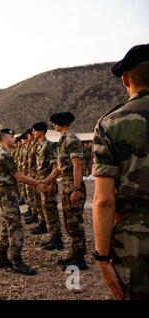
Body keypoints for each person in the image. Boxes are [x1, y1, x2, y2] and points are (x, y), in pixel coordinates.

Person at [92, 44, 149, 300]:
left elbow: (104, 201)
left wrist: (102, 257)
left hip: (135, 244)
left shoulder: (110, 124)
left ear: (125, 78)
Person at [0, 128, 44, 276]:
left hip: (4, 194)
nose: (14, 139)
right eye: (12, 137)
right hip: (8, 195)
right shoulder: (4, 155)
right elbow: (17, 176)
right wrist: (36, 183)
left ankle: (2, 258)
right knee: (15, 227)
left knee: (6, 225)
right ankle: (16, 261)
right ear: (6, 138)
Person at [40, 111, 87, 270]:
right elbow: (60, 168)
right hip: (66, 185)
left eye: (55, 122)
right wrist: (46, 181)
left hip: (72, 186)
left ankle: (80, 258)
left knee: (75, 222)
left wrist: (76, 189)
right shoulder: (62, 140)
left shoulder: (71, 139)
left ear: (62, 123)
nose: (53, 125)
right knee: (69, 222)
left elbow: (77, 165)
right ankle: (75, 253)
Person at [33, 122, 63, 250]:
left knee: (51, 211)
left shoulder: (49, 145)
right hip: (41, 182)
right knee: (45, 210)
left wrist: (52, 183)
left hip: (48, 182)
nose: (33, 133)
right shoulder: (40, 145)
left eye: (35, 131)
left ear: (41, 131)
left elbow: (55, 165)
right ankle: (52, 236)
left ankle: (57, 239)